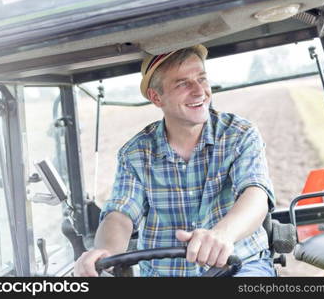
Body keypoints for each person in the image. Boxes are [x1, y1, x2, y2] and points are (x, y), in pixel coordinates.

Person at [74, 44, 276, 277]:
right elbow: (120, 214)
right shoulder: (135, 154)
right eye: (183, 83)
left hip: (239, 266)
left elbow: (256, 193)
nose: (199, 91)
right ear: (156, 97)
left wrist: (222, 235)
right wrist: (104, 251)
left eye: (202, 78)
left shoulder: (239, 134)